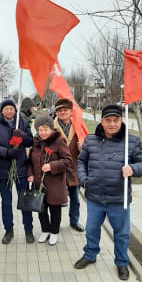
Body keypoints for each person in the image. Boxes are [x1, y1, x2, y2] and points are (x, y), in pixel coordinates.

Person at [74, 104, 142, 281]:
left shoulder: (132, 141)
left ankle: (121, 262)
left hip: (118, 197)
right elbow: (81, 162)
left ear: (122, 121)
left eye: (116, 120)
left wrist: (133, 169)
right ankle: (90, 255)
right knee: (91, 229)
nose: (112, 124)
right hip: (94, 196)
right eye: (108, 120)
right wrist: (84, 179)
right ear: (102, 121)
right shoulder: (91, 140)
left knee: (121, 232)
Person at [0, 99, 34, 244]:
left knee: (25, 200)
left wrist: (22, 136)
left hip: (21, 167)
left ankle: (28, 230)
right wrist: (7, 152)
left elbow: (31, 141)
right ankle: (8, 230)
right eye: (6, 109)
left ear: (15, 110)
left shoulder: (22, 122)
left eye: (12, 108)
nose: (9, 111)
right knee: (6, 202)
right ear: (2, 110)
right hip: (4, 169)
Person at [28, 115, 72, 245]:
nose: (43, 132)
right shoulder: (36, 142)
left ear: (51, 129)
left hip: (55, 184)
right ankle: (45, 230)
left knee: (54, 210)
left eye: (46, 129)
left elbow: (68, 161)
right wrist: (30, 174)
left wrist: (52, 166)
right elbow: (30, 161)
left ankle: (54, 232)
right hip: (39, 183)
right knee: (41, 209)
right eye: (40, 130)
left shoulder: (59, 141)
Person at [54, 98, 84, 232]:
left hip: (74, 167)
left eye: (65, 110)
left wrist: (82, 147)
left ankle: (74, 221)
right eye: (59, 110)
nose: (62, 112)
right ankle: (55, 223)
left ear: (71, 112)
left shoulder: (78, 126)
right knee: (56, 198)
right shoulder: (52, 126)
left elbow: (88, 145)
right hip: (58, 168)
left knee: (76, 198)